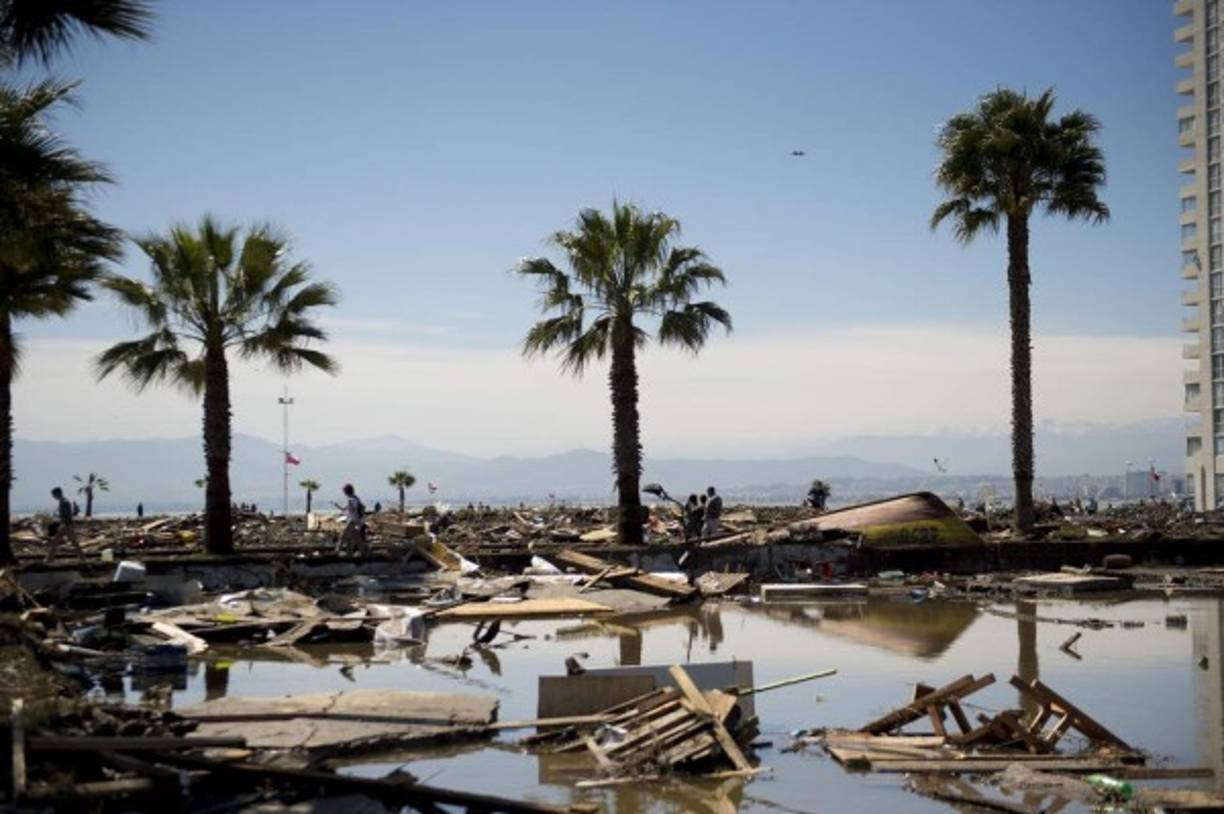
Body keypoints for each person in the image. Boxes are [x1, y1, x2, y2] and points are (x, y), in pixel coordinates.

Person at [47, 487, 83, 561]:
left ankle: (48, 560)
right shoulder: (62, 501)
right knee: (74, 543)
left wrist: (64, 525)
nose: (53, 496)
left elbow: (68, 515)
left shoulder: (65, 502)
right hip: (66, 525)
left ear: (57, 493)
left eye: (53, 494)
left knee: (55, 542)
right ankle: (82, 558)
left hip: (66, 525)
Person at [335, 483, 368, 556]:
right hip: (356, 519)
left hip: (352, 520)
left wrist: (346, 510)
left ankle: (337, 551)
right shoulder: (356, 498)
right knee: (356, 536)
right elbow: (345, 509)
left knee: (343, 535)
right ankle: (363, 551)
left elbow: (351, 510)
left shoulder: (350, 499)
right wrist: (337, 506)